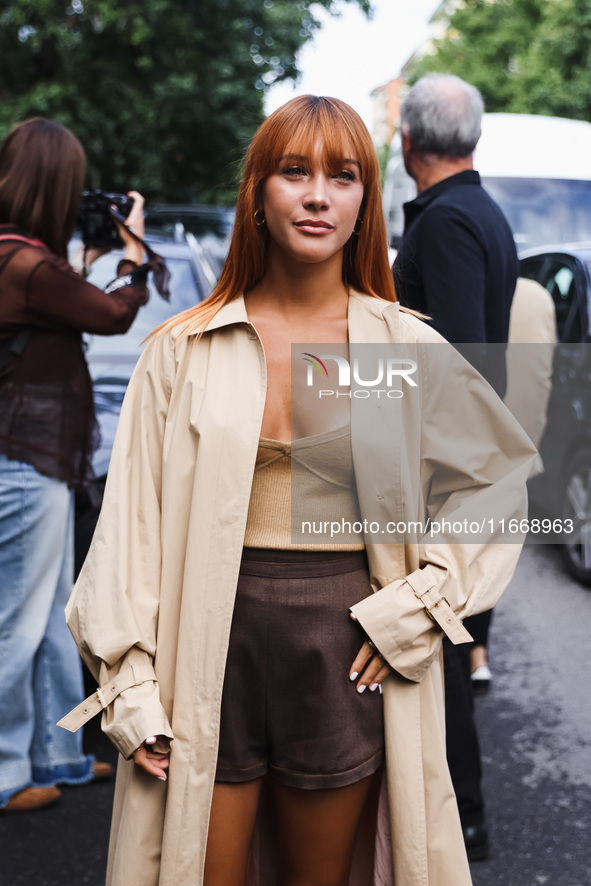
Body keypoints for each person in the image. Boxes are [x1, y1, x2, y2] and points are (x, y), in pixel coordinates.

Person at [61, 95, 535, 886]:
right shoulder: (182, 351)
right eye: (294, 171)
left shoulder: (400, 343)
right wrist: (129, 683)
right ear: (258, 193)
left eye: (342, 175)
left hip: (345, 646)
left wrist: (423, 602)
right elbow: (127, 533)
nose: (318, 194)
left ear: (364, 200)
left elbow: (499, 480)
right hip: (200, 648)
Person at [0, 117, 150, 813]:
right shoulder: (24, 263)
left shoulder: (23, 259)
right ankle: (6, 774)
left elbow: (64, 299)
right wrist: (133, 255)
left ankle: (58, 753)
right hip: (25, 461)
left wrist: (95, 257)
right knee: (16, 626)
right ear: (55, 185)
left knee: (53, 620)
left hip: (37, 462)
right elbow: (113, 313)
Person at [392, 73, 520, 859]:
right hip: (465, 464)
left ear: (406, 142)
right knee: (440, 642)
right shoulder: (477, 211)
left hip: (446, 473)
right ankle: (449, 817)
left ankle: (456, 821)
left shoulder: (443, 222)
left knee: (434, 649)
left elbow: (460, 364)